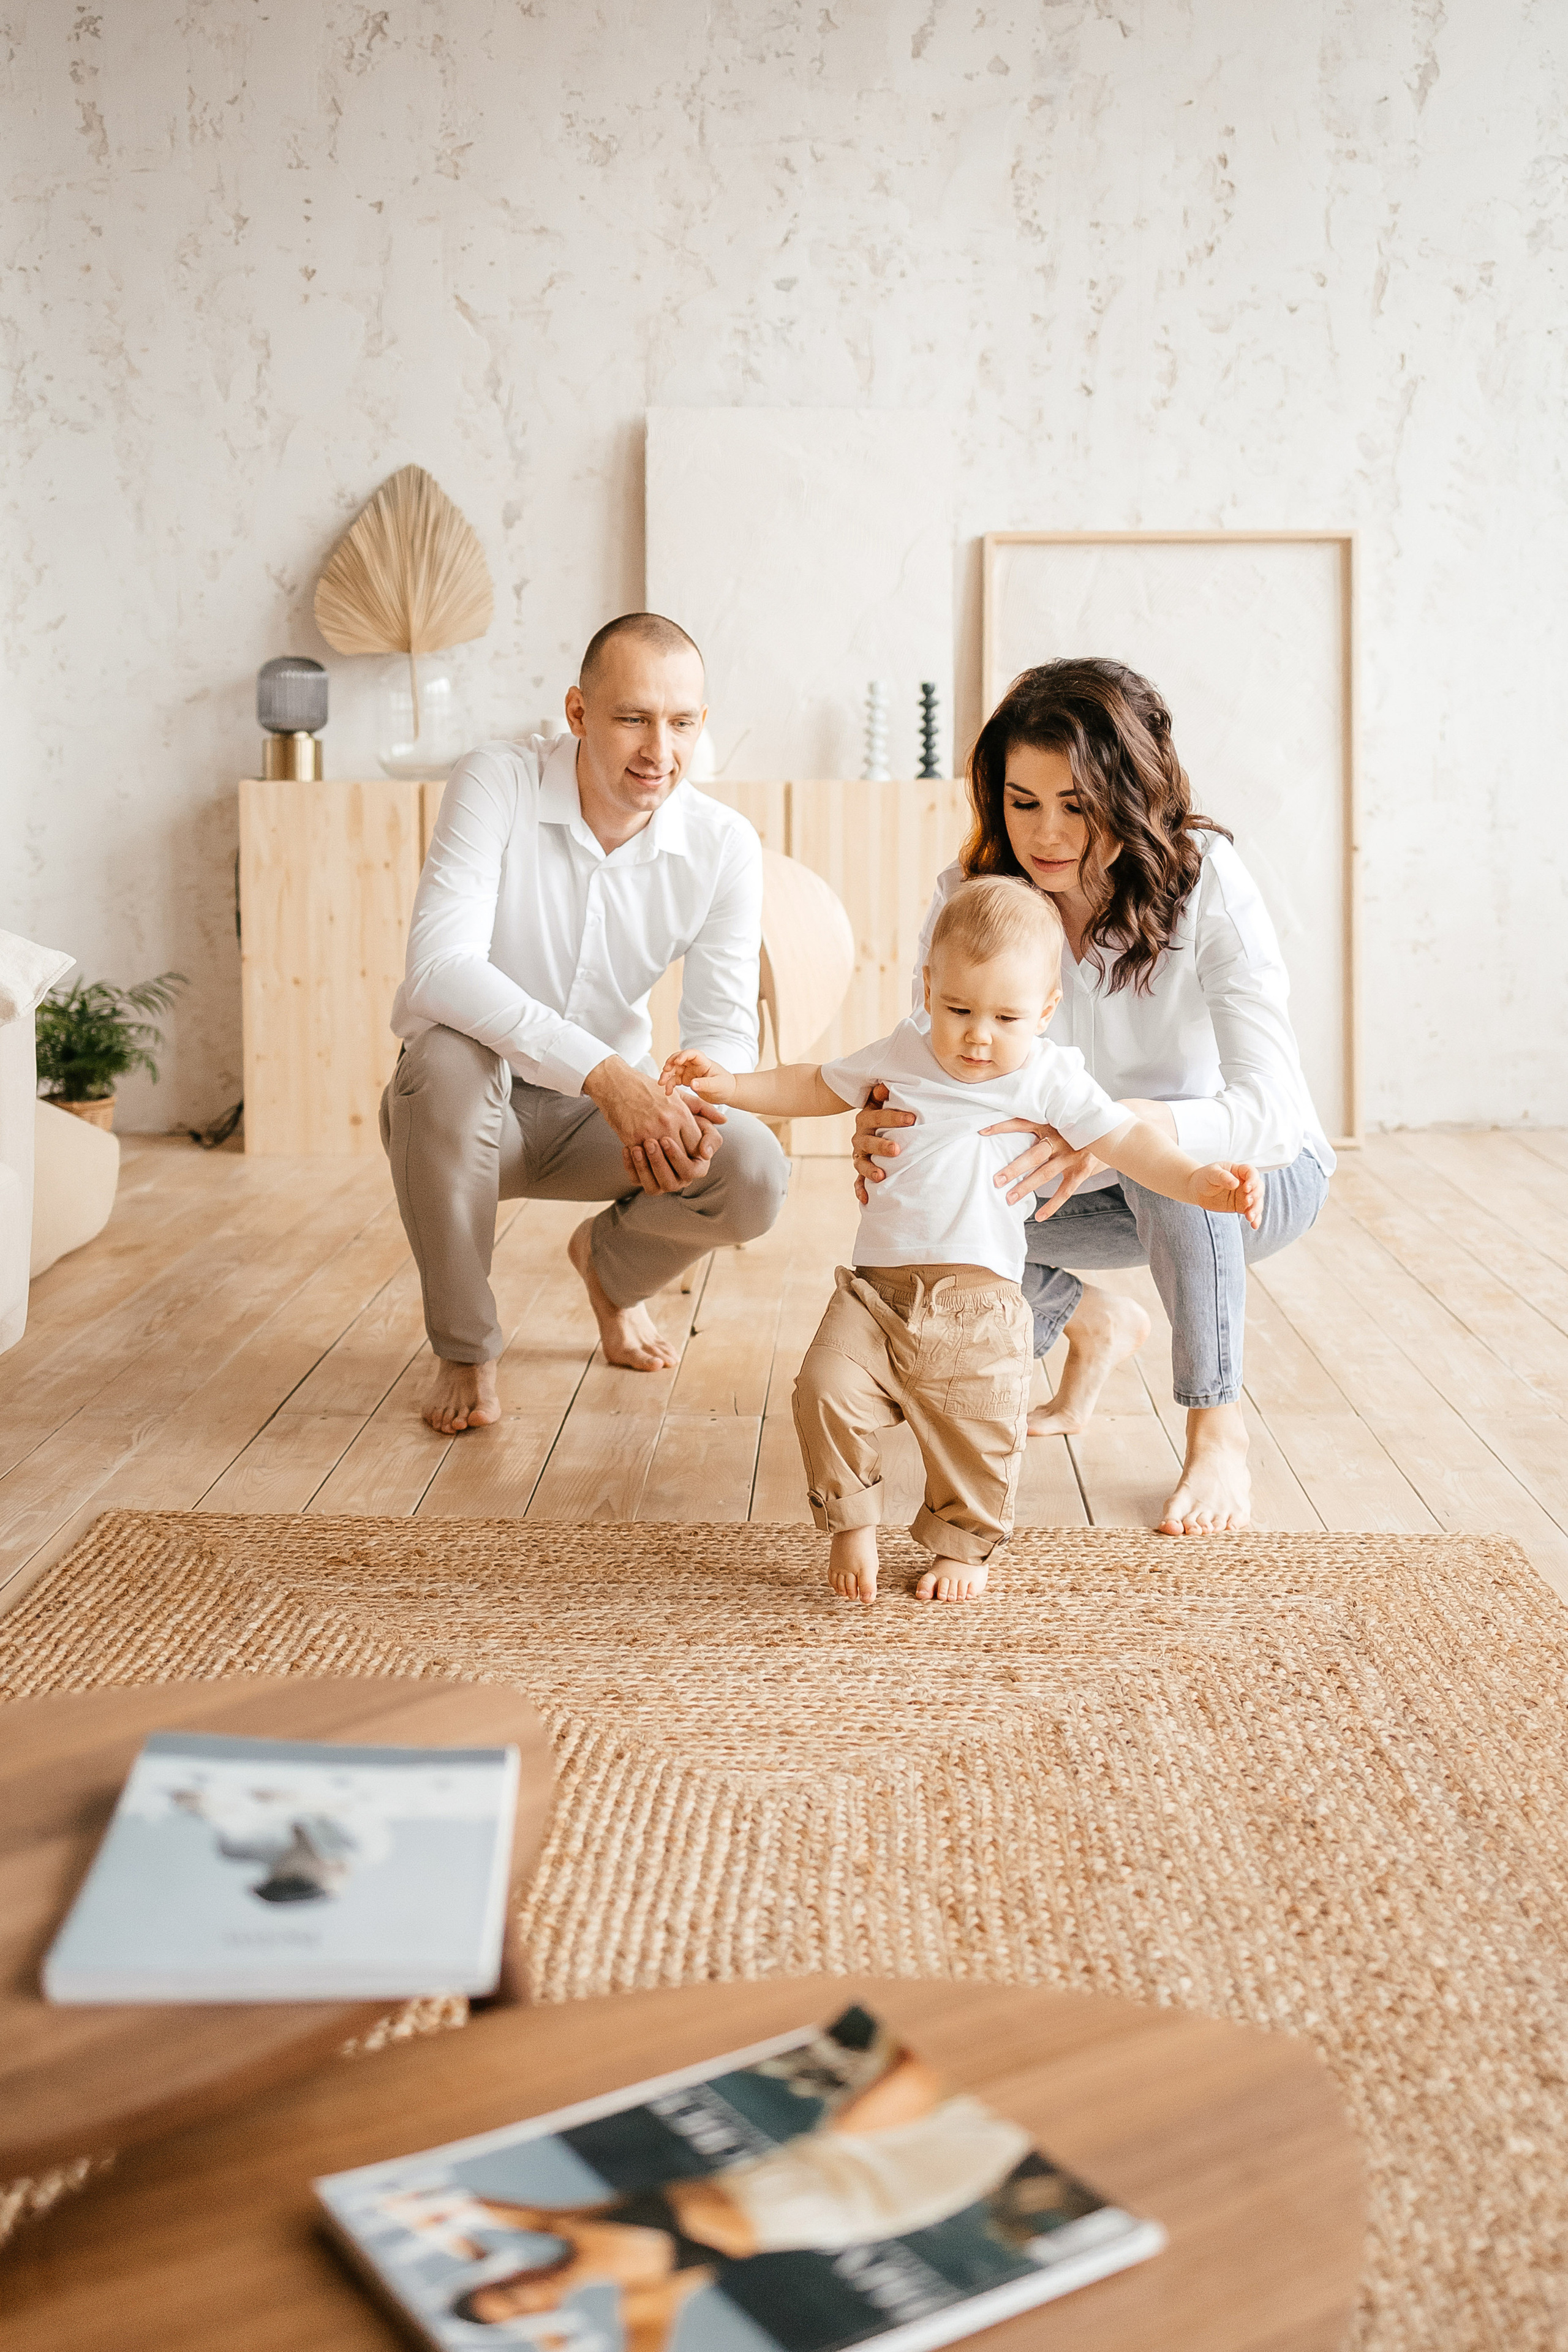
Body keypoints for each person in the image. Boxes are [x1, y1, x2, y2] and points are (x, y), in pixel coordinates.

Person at [661, 875, 1259, 1604]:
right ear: (926, 988)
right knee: (821, 1388)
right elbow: (814, 1084)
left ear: (1045, 1012)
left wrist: (1199, 1181)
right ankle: (852, 1521)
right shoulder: (903, 1050)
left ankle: (964, 1546)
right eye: (957, 1009)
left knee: (979, 1435)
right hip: (874, 1295)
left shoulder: (1047, 1077)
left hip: (979, 1306)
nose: (978, 1034)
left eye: (1006, 1017)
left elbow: (1129, 1140)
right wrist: (729, 1085)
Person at [853, 657, 1334, 1538]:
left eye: (1077, 804)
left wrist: (1128, 1129)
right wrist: (886, 1126)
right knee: (925, 1202)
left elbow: (1276, 1111)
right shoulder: (974, 898)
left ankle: (1218, 1431)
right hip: (1073, 1186)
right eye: (1021, 800)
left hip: (1248, 1178)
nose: (1045, 833)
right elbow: (931, 1075)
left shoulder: (1208, 882)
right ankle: (1092, 1318)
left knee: (1166, 1167)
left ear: (1131, 791)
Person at [381, 614, 791, 1434]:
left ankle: (611, 1273)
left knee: (751, 1165)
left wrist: (693, 1103)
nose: (658, 749)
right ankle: (466, 1349)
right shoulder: (494, 781)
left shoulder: (723, 846)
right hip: (466, 1118)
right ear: (577, 713)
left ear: (701, 725)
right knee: (446, 1058)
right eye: (632, 717)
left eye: (680, 723)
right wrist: (606, 1075)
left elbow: (719, 1029)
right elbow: (439, 969)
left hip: (605, 1129)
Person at [447, 2038, 1033, 2338]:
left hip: (834, 2153)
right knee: (1005, 2116)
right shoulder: (645, 2294)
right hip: (866, 2204)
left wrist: (462, 2233)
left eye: (508, 2287)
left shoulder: (570, 2225)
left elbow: (470, 2210)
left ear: (503, 2272)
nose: (527, 2289)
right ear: (539, 2312)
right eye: (519, 2305)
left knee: (919, 2068)